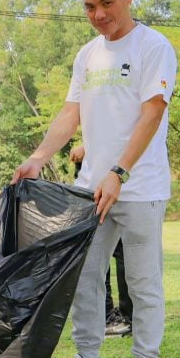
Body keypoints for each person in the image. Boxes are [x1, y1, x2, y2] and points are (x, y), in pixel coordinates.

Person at [12, 0, 177, 358]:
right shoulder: (87, 56)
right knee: (85, 279)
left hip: (139, 187)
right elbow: (71, 114)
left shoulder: (153, 47)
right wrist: (39, 156)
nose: (99, 14)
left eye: (107, 2)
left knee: (143, 283)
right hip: (91, 192)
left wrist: (119, 172)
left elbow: (151, 114)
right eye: (89, 7)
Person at [70, 144, 132, 337]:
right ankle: (111, 316)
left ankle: (124, 316)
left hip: (116, 186)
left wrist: (86, 147)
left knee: (120, 255)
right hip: (95, 189)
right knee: (96, 256)